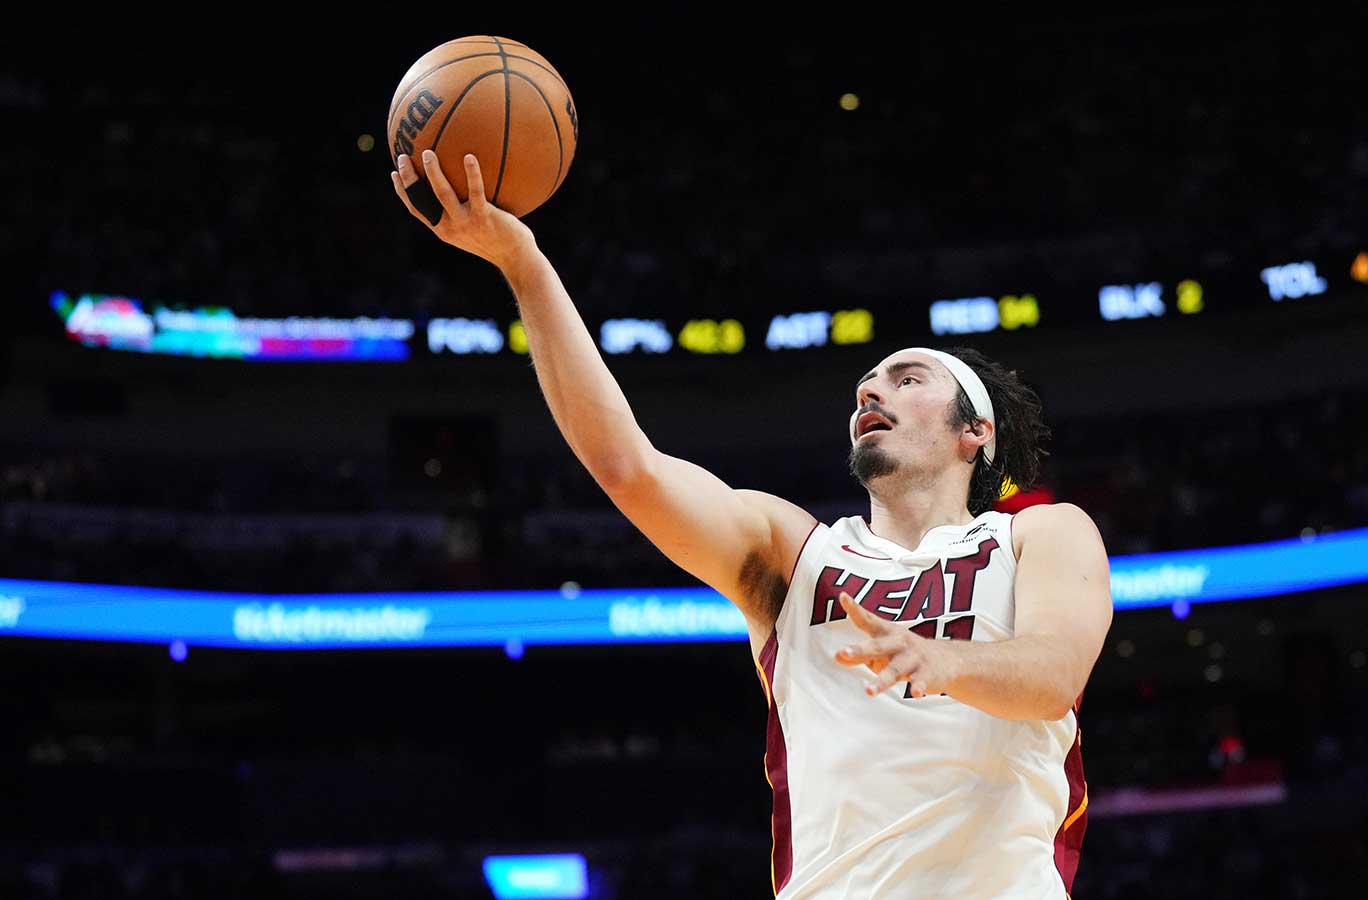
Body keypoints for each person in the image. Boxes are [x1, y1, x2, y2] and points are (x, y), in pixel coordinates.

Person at [392, 150, 1114, 899]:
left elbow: (1053, 675)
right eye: (865, 386)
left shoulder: (1040, 533)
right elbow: (627, 468)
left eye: (907, 378)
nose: (871, 391)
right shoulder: (792, 552)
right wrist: (524, 262)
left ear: (977, 431)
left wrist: (942, 662)